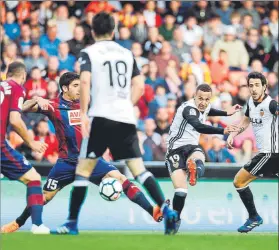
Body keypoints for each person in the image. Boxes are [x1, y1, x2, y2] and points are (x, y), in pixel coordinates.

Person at [54, 12, 178, 235]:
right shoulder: (126, 53)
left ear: (93, 32)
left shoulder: (89, 52)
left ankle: (71, 223)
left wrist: (83, 112)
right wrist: (125, 105)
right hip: (124, 118)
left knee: (82, 172)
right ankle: (168, 211)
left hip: (100, 116)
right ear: (114, 31)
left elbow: (84, 80)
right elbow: (139, 86)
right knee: (139, 171)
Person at [1, 72, 163, 234]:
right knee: (43, 197)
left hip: (89, 160)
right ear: (65, 88)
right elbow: (18, 108)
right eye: (75, 86)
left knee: (121, 178)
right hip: (66, 163)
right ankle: (18, 223)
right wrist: (36, 99)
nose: (80, 89)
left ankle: (152, 210)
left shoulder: (86, 104)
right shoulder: (53, 105)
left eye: (81, 85)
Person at [165, 83, 241, 234]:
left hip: (192, 147)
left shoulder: (204, 105)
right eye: (200, 98)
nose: (203, 102)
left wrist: (226, 113)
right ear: (194, 96)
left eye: (207, 99)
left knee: (200, 157)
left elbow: (208, 110)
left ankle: (194, 172)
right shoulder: (188, 109)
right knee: (181, 191)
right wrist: (222, 129)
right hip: (175, 150)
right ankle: (175, 218)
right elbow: (198, 126)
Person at [0, 62, 49, 234]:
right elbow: (14, 119)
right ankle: (37, 225)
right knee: (33, 178)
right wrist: (31, 142)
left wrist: (33, 102)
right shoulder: (17, 87)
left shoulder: (3, 87)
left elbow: (13, 108)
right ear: (23, 77)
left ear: (7, 73)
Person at [227, 72, 279, 233]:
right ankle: (254, 217)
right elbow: (246, 121)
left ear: (265, 87)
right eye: (251, 85)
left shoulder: (271, 105)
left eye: (257, 85)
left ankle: (254, 217)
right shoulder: (250, 102)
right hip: (269, 154)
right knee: (239, 182)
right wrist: (234, 134)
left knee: (239, 181)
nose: (254, 89)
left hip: (270, 153)